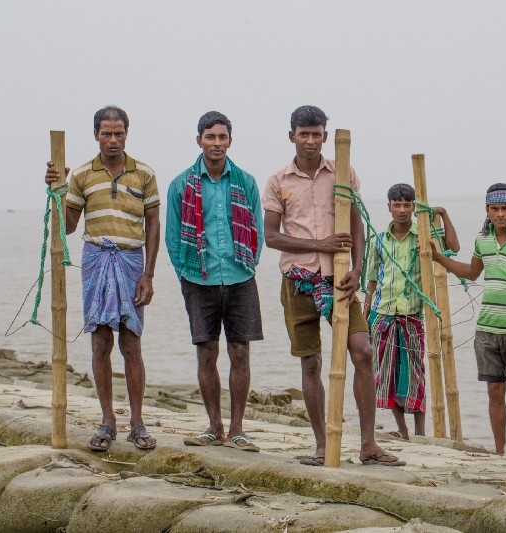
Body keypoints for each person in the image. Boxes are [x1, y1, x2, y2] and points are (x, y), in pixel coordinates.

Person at [262, 105, 403, 467]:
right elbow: (272, 237)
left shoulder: (342, 171)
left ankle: (369, 444)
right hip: (298, 279)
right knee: (311, 362)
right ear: (291, 135)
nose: (310, 140)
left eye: (317, 133)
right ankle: (323, 445)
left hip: (339, 280)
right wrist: (317, 245)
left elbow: (356, 223)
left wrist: (357, 268)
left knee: (363, 351)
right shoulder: (279, 180)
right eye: (303, 133)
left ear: (326, 135)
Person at [44, 105, 160, 451]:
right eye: (106, 133)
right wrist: (58, 191)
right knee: (100, 342)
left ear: (127, 133)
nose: (112, 139)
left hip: (131, 260)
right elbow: (67, 226)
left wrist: (148, 275)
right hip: (96, 260)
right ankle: (107, 420)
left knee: (131, 342)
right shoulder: (81, 175)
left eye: (118, 133)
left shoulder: (144, 174)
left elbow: (153, 223)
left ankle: (136, 422)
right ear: (96, 134)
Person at [165, 111, 264, 452]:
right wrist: (185, 273)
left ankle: (237, 429)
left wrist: (249, 263)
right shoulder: (181, 184)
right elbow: (173, 237)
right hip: (198, 278)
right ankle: (214, 425)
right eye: (211, 137)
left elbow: (257, 231)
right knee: (206, 353)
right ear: (199, 141)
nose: (217, 143)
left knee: (240, 351)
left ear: (230, 141)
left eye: (223, 137)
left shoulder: (246, 182)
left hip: (240, 276)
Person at [432, 183, 506, 455]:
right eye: (495, 209)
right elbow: (471, 272)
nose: (500, 214)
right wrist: (439, 258)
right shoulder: (484, 241)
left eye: (505, 208)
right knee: (494, 392)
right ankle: (500, 451)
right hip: (487, 331)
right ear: (487, 211)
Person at [363, 184, 459, 440]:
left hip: (412, 317)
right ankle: (402, 430)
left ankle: (419, 432)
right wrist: (365, 310)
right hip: (382, 315)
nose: (402, 210)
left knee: (414, 374)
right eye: (397, 205)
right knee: (386, 373)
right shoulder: (379, 239)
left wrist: (444, 215)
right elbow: (372, 278)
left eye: (407, 205)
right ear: (389, 207)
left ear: (414, 207)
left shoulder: (424, 236)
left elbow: (453, 248)